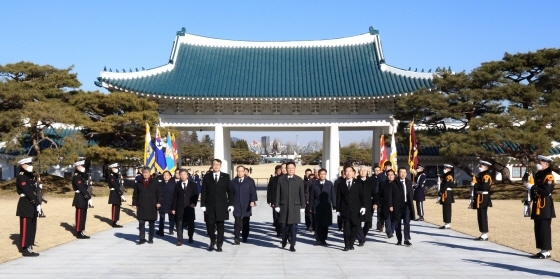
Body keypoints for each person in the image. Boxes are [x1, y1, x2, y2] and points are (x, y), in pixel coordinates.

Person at [201, 159, 233, 252]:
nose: (216, 166)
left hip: (222, 206)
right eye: (214, 164)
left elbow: (230, 191)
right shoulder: (207, 176)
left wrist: (231, 204)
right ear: (212, 165)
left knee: (220, 226)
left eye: (218, 164)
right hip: (209, 205)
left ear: (220, 166)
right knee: (210, 225)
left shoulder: (226, 176)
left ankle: (219, 244)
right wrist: (203, 204)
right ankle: (212, 241)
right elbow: (204, 191)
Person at [527, 155, 556, 259]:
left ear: (546, 164)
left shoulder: (549, 176)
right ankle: (542, 250)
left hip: (545, 204)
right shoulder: (538, 174)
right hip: (537, 203)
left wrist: (533, 187)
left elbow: (546, 190)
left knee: (544, 228)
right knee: (538, 227)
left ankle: (545, 251)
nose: (538, 164)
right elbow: (535, 188)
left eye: (541, 162)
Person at [275, 161, 306, 252]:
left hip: (295, 207)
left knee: (294, 228)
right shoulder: (281, 179)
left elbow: (302, 194)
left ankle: (292, 245)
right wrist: (277, 204)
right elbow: (278, 193)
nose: (290, 170)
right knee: (283, 226)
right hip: (284, 206)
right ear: (286, 169)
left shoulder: (299, 180)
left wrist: (303, 206)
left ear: (295, 169)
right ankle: (284, 239)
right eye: (288, 168)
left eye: (292, 168)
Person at [16, 157, 41, 257]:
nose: (31, 166)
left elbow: (34, 190)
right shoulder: (22, 177)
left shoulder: (30, 176)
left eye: (31, 164)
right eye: (28, 164)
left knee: (32, 226)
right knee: (26, 227)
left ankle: (30, 245)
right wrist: (37, 203)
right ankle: (25, 248)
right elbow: (28, 192)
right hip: (26, 204)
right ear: (23, 166)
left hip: (32, 204)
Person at [337, 165, 365, 251]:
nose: (348, 173)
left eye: (350, 171)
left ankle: (351, 243)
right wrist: (338, 209)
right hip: (345, 209)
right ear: (344, 173)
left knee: (354, 228)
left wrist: (363, 207)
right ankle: (346, 244)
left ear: (353, 173)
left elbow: (362, 196)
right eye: (347, 171)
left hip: (356, 210)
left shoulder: (358, 183)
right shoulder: (341, 184)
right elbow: (339, 197)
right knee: (346, 228)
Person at [132, 166, 162, 245]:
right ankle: (142, 238)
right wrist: (134, 203)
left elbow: (159, 193)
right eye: (144, 173)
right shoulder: (138, 183)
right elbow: (135, 194)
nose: (145, 174)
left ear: (150, 173)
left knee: (151, 223)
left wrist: (159, 202)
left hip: (152, 205)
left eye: (147, 173)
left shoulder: (155, 182)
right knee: (141, 222)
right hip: (141, 205)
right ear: (142, 173)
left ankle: (150, 238)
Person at [171, 169, 199, 245]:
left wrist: (194, 203)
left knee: (191, 224)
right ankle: (180, 239)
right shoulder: (177, 185)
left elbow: (196, 195)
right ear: (179, 175)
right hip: (179, 207)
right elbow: (175, 197)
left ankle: (190, 237)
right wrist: (173, 208)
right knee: (179, 224)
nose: (183, 176)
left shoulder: (192, 184)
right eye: (181, 174)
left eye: (184, 174)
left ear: (187, 175)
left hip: (189, 207)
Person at [231, 165, 257, 244]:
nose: (240, 173)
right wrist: (230, 203)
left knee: (246, 222)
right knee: (237, 222)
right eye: (238, 171)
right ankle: (237, 237)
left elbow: (253, 192)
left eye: (241, 171)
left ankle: (245, 236)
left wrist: (252, 201)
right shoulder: (233, 182)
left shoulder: (249, 181)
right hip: (236, 204)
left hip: (246, 204)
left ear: (244, 172)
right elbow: (230, 194)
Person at [309, 168, 336, 245]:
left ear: (326, 175)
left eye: (324, 174)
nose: (322, 175)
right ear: (318, 175)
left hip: (326, 206)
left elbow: (333, 195)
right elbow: (311, 196)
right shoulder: (314, 184)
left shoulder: (329, 184)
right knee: (317, 224)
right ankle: (318, 238)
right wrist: (310, 207)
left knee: (325, 224)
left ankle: (323, 239)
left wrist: (334, 205)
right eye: (321, 174)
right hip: (317, 206)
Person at [393, 167, 415, 246]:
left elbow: (411, 193)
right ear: (398, 173)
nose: (402, 174)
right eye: (401, 172)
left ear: (406, 173)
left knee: (407, 223)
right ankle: (399, 239)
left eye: (404, 172)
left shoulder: (409, 182)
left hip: (407, 205)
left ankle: (406, 239)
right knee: (397, 223)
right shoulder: (395, 182)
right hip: (398, 206)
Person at [472, 160, 492, 241]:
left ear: (485, 167)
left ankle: (484, 234)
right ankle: (482, 233)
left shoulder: (486, 176)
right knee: (480, 215)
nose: (480, 167)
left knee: (483, 215)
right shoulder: (481, 175)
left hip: (483, 197)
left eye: (481, 166)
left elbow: (484, 187)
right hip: (479, 196)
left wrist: (475, 184)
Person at [357, 165, 376, 246]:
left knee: (368, 222)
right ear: (358, 172)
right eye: (361, 170)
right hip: (358, 204)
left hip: (369, 204)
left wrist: (375, 203)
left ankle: (363, 235)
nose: (363, 172)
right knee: (358, 222)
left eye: (364, 170)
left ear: (367, 172)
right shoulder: (355, 181)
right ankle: (361, 240)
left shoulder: (371, 181)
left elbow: (375, 193)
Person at [72, 160, 91, 239]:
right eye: (82, 166)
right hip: (80, 197)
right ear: (77, 167)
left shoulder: (82, 176)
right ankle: (78, 231)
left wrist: (86, 172)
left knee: (83, 215)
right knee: (80, 215)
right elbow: (82, 188)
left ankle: (82, 230)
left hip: (83, 197)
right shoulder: (76, 177)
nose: (84, 168)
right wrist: (89, 197)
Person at [378, 169, 397, 238]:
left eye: (391, 175)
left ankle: (392, 229)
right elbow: (380, 194)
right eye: (388, 175)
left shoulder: (397, 184)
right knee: (387, 218)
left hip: (395, 204)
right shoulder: (383, 184)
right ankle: (389, 232)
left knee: (394, 218)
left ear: (394, 175)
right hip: (385, 204)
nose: (390, 176)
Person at [157, 171, 176, 236]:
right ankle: (161, 231)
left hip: (171, 203)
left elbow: (175, 195)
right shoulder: (160, 184)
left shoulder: (174, 184)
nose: (165, 176)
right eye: (164, 175)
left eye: (167, 175)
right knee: (162, 218)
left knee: (171, 218)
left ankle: (171, 230)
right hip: (162, 203)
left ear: (170, 176)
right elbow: (158, 194)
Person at [107, 163, 125, 228]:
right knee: (115, 207)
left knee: (117, 206)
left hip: (117, 192)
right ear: (112, 168)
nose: (116, 169)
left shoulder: (115, 176)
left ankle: (116, 221)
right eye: (115, 168)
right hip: (114, 192)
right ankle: (114, 221)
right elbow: (115, 186)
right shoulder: (111, 176)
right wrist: (121, 194)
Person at [376, 161, 393, 232]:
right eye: (385, 166)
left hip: (390, 198)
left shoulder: (393, 175)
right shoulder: (380, 176)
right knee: (380, 213)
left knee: (389, 215)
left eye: (388, 166)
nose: (386, 167)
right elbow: (377, 187)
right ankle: (380, 224)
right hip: (381, 198)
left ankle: (389, 230)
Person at [267, 165, 283, 236]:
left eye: (280, 170)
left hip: (283, 200)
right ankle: (278, 230)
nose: (279, 171)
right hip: (274, 200)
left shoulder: (284, 178)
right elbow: (269, 190)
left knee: (282, 216)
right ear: (275, 171)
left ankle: (283, 230)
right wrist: (270, 201)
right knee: (276, 216)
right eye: (278, 170)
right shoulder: (272, 179)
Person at [439, 164, 455, 229]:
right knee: (445, 208)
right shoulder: (446, 175)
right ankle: (446, 223)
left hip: (447, 193)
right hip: (445, 192)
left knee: (447, 208)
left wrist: (440, 192)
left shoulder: (449, 176)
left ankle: (447, 223)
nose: (444, 169)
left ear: (449, 169)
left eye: (446, 168)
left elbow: (446, 185)